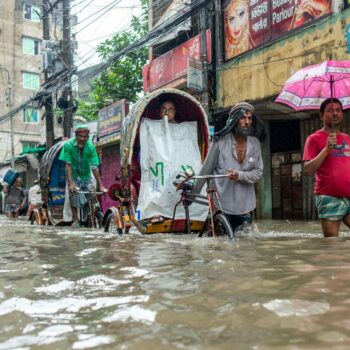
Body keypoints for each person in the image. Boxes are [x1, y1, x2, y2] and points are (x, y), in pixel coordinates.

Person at [193, 102, 266, 234]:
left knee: (246, 246)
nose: (247, 122)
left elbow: (258, 172)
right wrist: (193, 194)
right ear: (234, 120)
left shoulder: (255, 144)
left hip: (246, 206)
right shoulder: (219, 143)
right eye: (243, 118)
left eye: (249, 118)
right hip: (222, 206)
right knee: (220, 248)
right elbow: (206, 171)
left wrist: (240, 175)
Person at [303, 98, 350, 237]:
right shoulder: (314, 138)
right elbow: (307, 170)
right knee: (332, 245)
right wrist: (326, 149)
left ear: (342, 114)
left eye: (338, 110)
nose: (335, 113)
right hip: (329, 197)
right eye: (329, 110)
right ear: (321, 115)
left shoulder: (347, 138)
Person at [59, 124, 107, 227]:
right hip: (73, 175)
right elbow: (68, 164)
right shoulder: (68, 145)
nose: (82, 139)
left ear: (88, 137)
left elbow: (94, 167)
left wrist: (101, 185)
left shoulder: (90, 147)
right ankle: (76, 220)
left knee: (90, 195)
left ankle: (86, 219)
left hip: (86, 176)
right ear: (76, 135)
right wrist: (71, 183)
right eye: (80, 136)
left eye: (85, 136)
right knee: (73, 194)